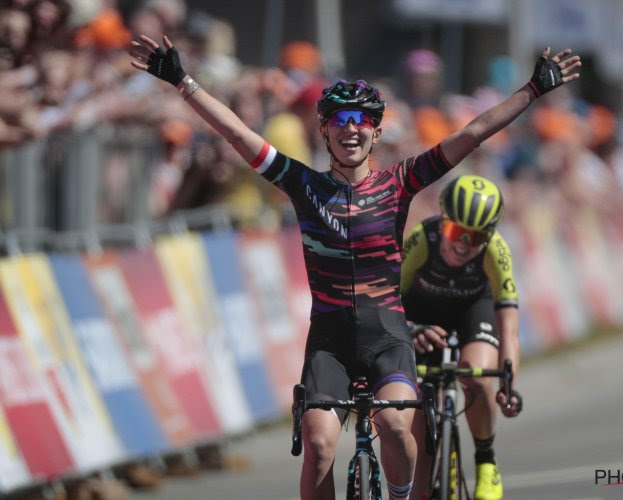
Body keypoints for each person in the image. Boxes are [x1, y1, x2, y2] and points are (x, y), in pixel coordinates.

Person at [128, 34, 580, 499]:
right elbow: (240, 136)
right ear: (323, 130)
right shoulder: (303, 185)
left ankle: (403, 494)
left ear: (377, 132)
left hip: (387, 336)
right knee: (320, 446)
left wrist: (532, 91)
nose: (351, 128)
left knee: (393, 424)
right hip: (330, 341)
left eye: (363, 120)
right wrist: (183, 82)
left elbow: (473, 132)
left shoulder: (400, 182)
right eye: (340, 120)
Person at [402, 175, 521, 499]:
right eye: (456, 231)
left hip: (472, 311)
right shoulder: (420, 239)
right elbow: (387, 302)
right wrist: (410, 328)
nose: (463, 244)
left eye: (476, 237)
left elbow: (508, 327)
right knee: (419, 429)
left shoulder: (497, 250)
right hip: (422, 319)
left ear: (490, 235)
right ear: (443, 222)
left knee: (477, 377)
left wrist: (507, 385)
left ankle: (486, 459)